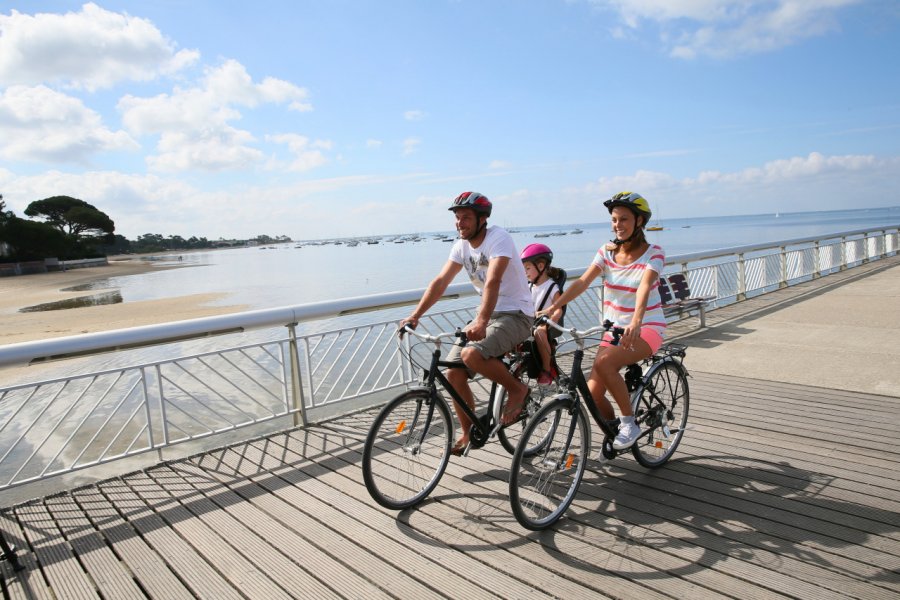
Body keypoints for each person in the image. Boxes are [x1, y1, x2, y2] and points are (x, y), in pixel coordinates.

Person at [400, 191, 534, 455]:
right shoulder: (461, 246)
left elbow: (494, 280)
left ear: (482, 219)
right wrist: (415, 315)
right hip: (488, 314)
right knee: (453, 373)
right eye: (457, 218)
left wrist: (482, 321)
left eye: (466, 218)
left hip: (517, 314)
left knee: (472, 354)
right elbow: (440, 282)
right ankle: (467, 433)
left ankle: (517, 390)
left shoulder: (499, 238)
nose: (460, 223)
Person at [539, 191, 667, 450]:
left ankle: (629, 423)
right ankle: (615, 434)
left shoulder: (654, 253)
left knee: (605, 363)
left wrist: (637, 320)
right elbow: (584, 281)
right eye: (614, 219)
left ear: (639, 222)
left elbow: (644, 286)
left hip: (646, 328)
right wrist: (554, 305)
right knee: (593, 395)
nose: (617, 225)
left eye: (624, 219)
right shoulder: (606, 252)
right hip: (613, 329)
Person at [519, 243, 563, 385]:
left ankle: (546, 368)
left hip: (546, 323)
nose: (525, 272)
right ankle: (517, 361)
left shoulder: (551, 286)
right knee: (512, 329)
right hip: (532, 321)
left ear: (541, 265)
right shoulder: (529, 286)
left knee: (539, 332)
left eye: (528, 268)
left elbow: (558, 309)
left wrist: (550, 322)